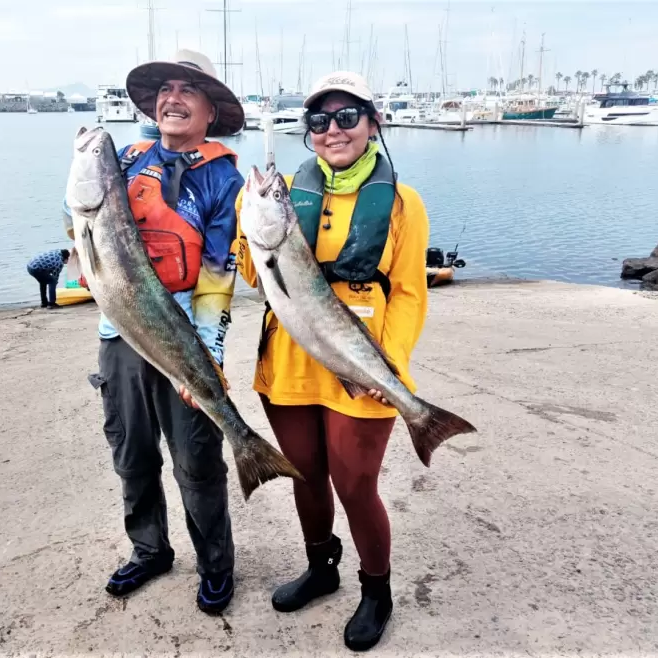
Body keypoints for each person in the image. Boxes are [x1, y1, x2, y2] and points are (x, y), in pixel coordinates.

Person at [232, 71, 430, 651]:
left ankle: (376, 592)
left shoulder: (402, 202)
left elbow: (411, 292)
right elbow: (253, 275)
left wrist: (386, 367)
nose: (332, 130)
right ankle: (322, 569)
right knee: (306, 476)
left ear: (373, 123)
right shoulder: (284, 193)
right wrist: (250, 222)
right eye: (319, 120)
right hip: (289, 358)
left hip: (363, 362)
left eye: (347, 117)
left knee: (355, 482)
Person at [63, 49, 245, 613]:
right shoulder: (128, 160)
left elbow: (218, 273)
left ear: (210, 110)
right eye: (165, 88)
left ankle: (215, 564)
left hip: (185, 332)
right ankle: (149, 549)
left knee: (196, 459)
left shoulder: (226, 180)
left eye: (188, 90)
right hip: (119, 333)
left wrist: (207, 354)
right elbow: (87, 230)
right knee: (131, 451)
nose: (173, 97)